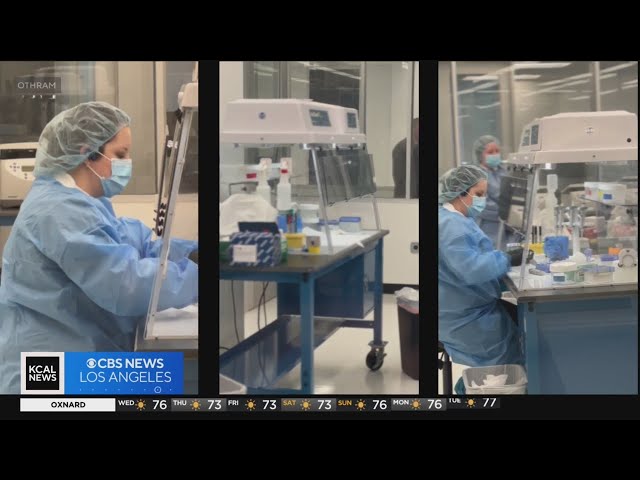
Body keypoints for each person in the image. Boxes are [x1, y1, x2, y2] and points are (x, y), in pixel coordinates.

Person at [0, 101, 199, 393]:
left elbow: (135, 242)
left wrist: (191, 253)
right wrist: (198, 276)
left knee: (174, 377)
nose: (128, 163)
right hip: (44, 372)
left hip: (74, 352)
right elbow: (125, 284)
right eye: (120, 154)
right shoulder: (59, 210)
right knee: (174, 378)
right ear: (88, 153)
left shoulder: (83, 201)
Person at [438, 165, 524, 394]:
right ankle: (472, 394)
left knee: (517, 334)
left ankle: (469, 388)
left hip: (467, 307)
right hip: (464, 317)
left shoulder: (454, 219)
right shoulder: (451, 226)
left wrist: (502, 261)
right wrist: (507, 259)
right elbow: (471, 269)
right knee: (506, 362)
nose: (482, 200)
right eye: (478, 194)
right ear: (460, 193)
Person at [471, 135, 511, 247]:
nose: (495, 154)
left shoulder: (504, 171)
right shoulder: (476, 176)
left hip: (507, 228)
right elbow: (482, 205)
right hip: (487, 227)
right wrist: (506, 212)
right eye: (490, 152)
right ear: (480, 155)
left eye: (497, 151)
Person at [392, 118, 419, 198]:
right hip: (405, 197)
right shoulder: (402, 148)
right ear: (413, 129)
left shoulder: (416, 146)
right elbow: (399, 176)